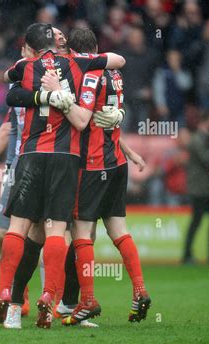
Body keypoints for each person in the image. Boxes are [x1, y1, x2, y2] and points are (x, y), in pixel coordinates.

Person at [0, 23, 126, 329]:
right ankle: (49, 299)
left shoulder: (24, 66)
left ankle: (9, 296)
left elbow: (10, 88)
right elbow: (118, 61)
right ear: (55, 42)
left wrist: (41, 94)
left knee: (20, 228)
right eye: (58, 36)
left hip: (31, 155)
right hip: (67, 159)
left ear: (31, 47)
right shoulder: (79, 64)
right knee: (56, 232)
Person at [39, 28, 151, 326]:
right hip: (116, 162)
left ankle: (87, 300)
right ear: (97, 47)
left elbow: (83, 119)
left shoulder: (89, 74)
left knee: (82, 234)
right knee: (119, 231)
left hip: (92, 164)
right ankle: (139, 290)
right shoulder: (115, 73)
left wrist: (59, 97)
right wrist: (127, 142)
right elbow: (107, 115)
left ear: (73, 53)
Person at [183, 111, 209, 264]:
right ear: (205, 120)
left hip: (205, 188)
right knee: (198, 220)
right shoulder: (198, 139)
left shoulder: (203, 138)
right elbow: (207, 160)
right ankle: (188, 255)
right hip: (199, 189)